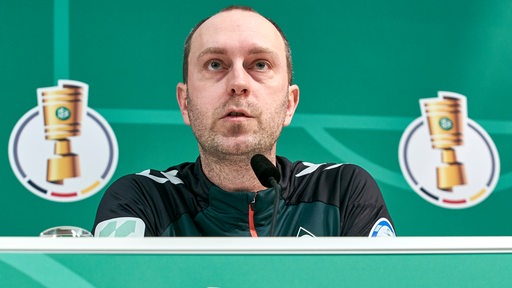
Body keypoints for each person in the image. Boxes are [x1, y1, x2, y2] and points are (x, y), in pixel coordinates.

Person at [93, 5, 395, 237]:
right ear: (185, 103)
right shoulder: (142, 199)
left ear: (289, 104)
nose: (238, 82)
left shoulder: (341, 191)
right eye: (215, 64)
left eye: (259, 64)